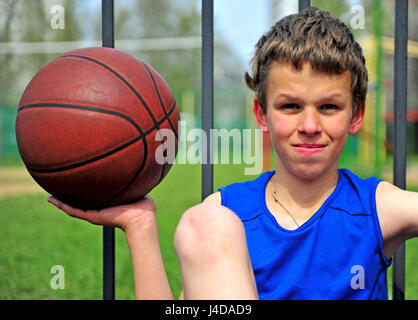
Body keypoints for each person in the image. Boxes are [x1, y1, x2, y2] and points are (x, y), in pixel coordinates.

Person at [47, 7, 418, 300]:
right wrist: (140, 226)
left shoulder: (374, 206)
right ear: (262, 115)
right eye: (290, 106)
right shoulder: (226, 215)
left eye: (329, 107)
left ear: (356, 116)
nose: (309, 125)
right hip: (214, 225)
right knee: (205, 223)